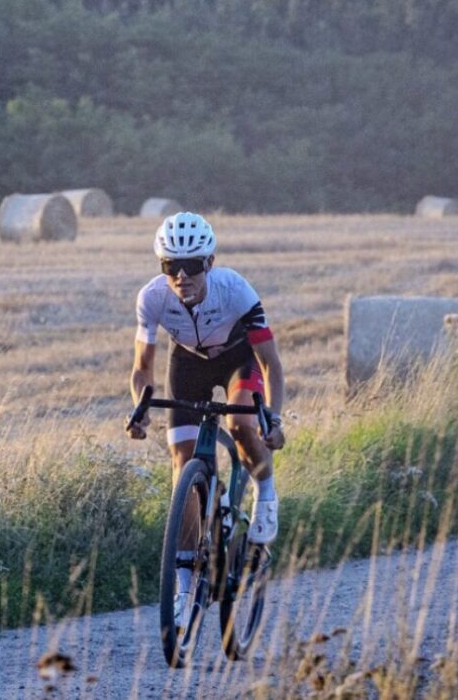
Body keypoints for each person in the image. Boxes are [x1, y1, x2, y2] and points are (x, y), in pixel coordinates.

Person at [125, 211, 285, 624]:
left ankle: (265, 491)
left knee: (240, 426)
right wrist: (140, 408)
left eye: (192, 266)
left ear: (209, 263)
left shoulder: (236, 291)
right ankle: (185, 587)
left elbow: (270, 363)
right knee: (183, 465)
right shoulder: (152, 298)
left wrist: (275, 419)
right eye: (171, 267)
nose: (182, 276)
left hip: (237, 360)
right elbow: (143, 366)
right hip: (189, 364)